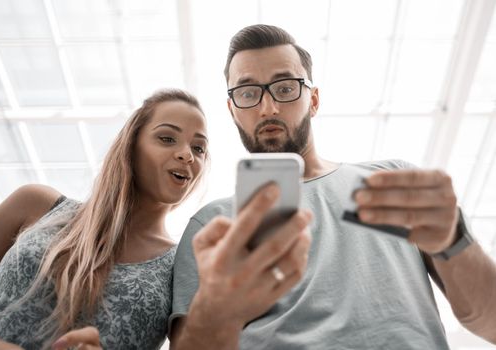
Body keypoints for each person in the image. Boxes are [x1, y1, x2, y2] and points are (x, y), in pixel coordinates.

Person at [168, 24, 496, 349]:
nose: (268, 108)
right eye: (248, 93)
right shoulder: (212, 225)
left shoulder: (393, 182)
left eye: (284, 88)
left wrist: (454, 239)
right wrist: (216, 312)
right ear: (233, 111)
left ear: (313, 100)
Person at [0, 89, 210, 349]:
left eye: (199, 148)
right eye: (167, 138)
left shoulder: (182, 270)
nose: (187, 154)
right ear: (131, 144)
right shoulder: (35, 205)